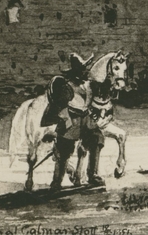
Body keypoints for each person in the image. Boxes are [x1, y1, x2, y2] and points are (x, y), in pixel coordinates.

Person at [42, 53, 107, 189]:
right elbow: (61, 107)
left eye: (84, 69)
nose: (84, 72)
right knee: (64, 149)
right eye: (81, 69)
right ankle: (57, 181)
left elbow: (95, 101)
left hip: (87, 119)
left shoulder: (88, 85)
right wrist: (66, 123)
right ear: (75, 72)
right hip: (72, 119)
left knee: (96, 139)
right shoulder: (67, 87)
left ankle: (93, 174)